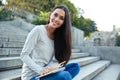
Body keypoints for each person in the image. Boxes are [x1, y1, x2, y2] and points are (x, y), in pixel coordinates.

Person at [20, 5, 80, 80]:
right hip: (32, 77)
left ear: (63, 23)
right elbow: (24, 55)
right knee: (64, 76)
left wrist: (50, 68)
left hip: (45, 74)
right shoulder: (38, 30)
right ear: (50, 14)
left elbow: (49, 60)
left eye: (61, 18)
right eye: (55, 15)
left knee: (75, 66)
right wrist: (40, 70)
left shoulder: (57, 38)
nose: (57, 19)